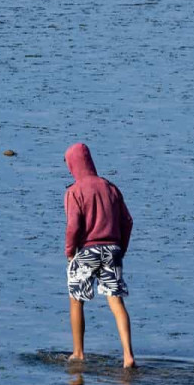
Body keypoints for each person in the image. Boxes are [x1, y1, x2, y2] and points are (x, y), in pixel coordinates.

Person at [63, 142, 135, 367]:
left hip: (88, 250)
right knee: (116, 302)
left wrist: (69, 251)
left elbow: (73, 225)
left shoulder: (74, 191)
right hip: (113, 248)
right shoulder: (111, 187)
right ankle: (128, 356)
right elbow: (128, 221)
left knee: (77, 299)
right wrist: (120, 248)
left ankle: (78, 352)